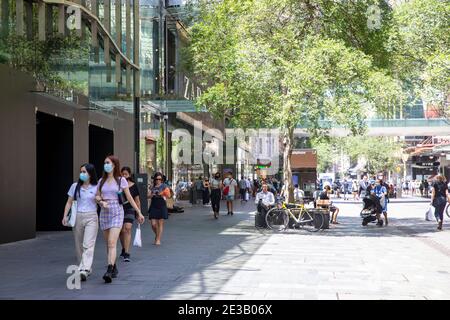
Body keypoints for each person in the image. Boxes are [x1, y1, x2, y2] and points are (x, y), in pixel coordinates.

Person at [96, 156, 144, 283]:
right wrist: (101, 201)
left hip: (117, 211)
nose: (105, 165)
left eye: (108, 163)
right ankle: (114, 266)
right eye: (104, 163)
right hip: (104, 212)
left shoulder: (121, 180)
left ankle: (110, 269)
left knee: (112, 242)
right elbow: (97, 196)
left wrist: (138, 212)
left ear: (114, 165)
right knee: (108, 243)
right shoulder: (101, 181)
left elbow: (129, 197)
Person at [62, 163, 99, 282]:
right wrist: (64, 216)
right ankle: (83, 266)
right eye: (81, 171)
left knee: (88, 244)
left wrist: (101, 201)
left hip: (92, 217)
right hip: (78, 217)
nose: (81, 174)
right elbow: (69, 202)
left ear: (90, 174)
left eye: (84, 172)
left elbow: (101, 200)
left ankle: (85, 269)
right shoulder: (75, 186)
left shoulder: (97, 186)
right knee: (79, 244)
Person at [119, 167, 141, 262]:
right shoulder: (118, 185)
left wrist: (138, 213)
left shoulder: (133, 186)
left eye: (126, 174)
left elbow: (137, 201)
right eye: (122, 174)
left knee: (127, 228)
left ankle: (127, 253)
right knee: (120, 231)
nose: (124, 176)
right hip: (119, 209)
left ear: (129, 175)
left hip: (130, 209)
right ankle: (123, 248)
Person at [148, 172, 171, 245]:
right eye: (157, 179)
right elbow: (148, 196)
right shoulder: (152, 186)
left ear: (162, 179)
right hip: (154, 204)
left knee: (160, 223)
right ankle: (157, 235)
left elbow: (169, 195)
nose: (158, 180)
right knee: (153, 224)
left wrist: (163, 193)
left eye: (160, 179)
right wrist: (152, 194)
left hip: (161, 204)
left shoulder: (164, 186)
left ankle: (158, 239)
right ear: (154, 179)